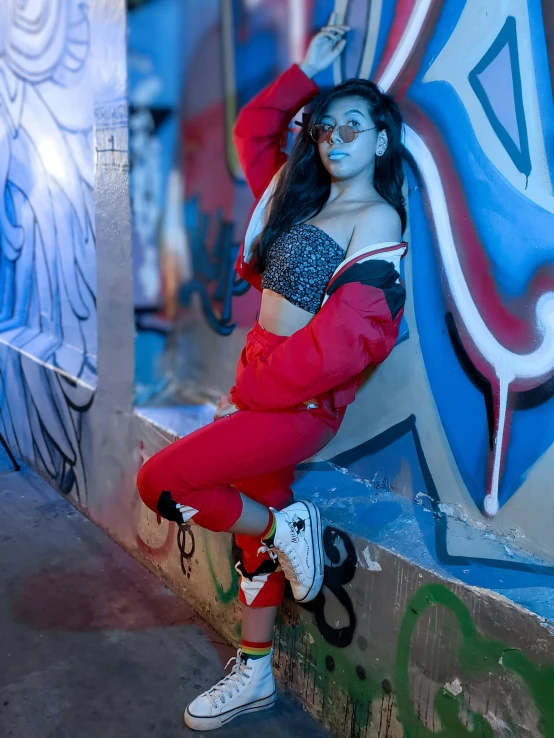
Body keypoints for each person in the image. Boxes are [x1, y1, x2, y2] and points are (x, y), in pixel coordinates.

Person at [137, 14, 411, 732]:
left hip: (296, 403)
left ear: (381, 140)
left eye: (353, 126)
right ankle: (255, 670)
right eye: (325, 127)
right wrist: (308, 70)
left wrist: (249, 399)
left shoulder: (377, 221)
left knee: (160, 483)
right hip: (260, 379)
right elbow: (252, 130)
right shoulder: (299, 196)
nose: (335, 138)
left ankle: (288, 526)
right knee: (259, 537)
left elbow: (348, 344)